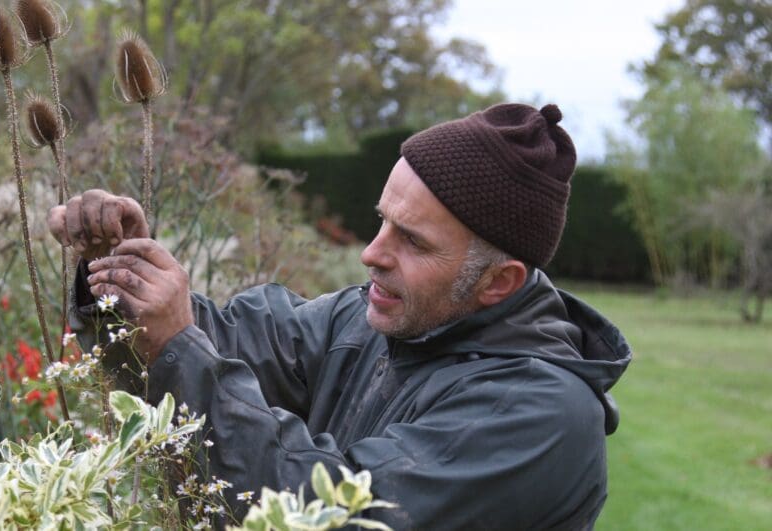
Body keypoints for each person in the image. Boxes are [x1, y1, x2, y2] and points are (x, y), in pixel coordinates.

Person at [48, 103, 632, 530]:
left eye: (413, 241)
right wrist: (120, 277)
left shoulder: (538, 417)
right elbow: (217, 341)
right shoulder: (370, 322)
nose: (372, 253)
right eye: (382, 220)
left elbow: (325, 510)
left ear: (497, 282)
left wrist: (177, 343)